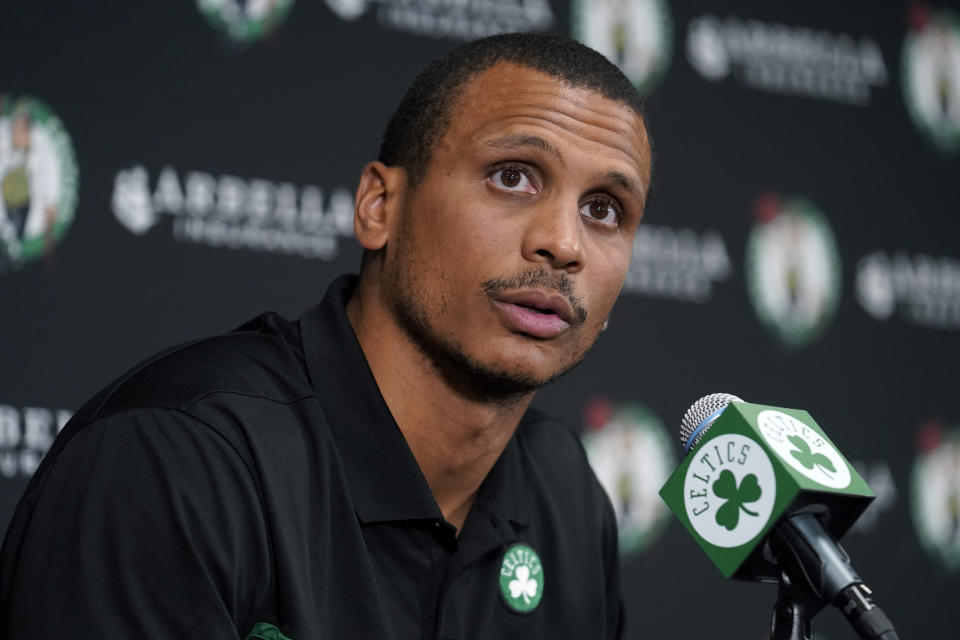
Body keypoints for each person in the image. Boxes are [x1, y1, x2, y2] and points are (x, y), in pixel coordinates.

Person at [0, 32, 652, 639]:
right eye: (512, 176)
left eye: (603, 211)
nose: (564, 244)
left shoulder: (568, 495)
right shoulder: (170, 461)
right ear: (379, 207)